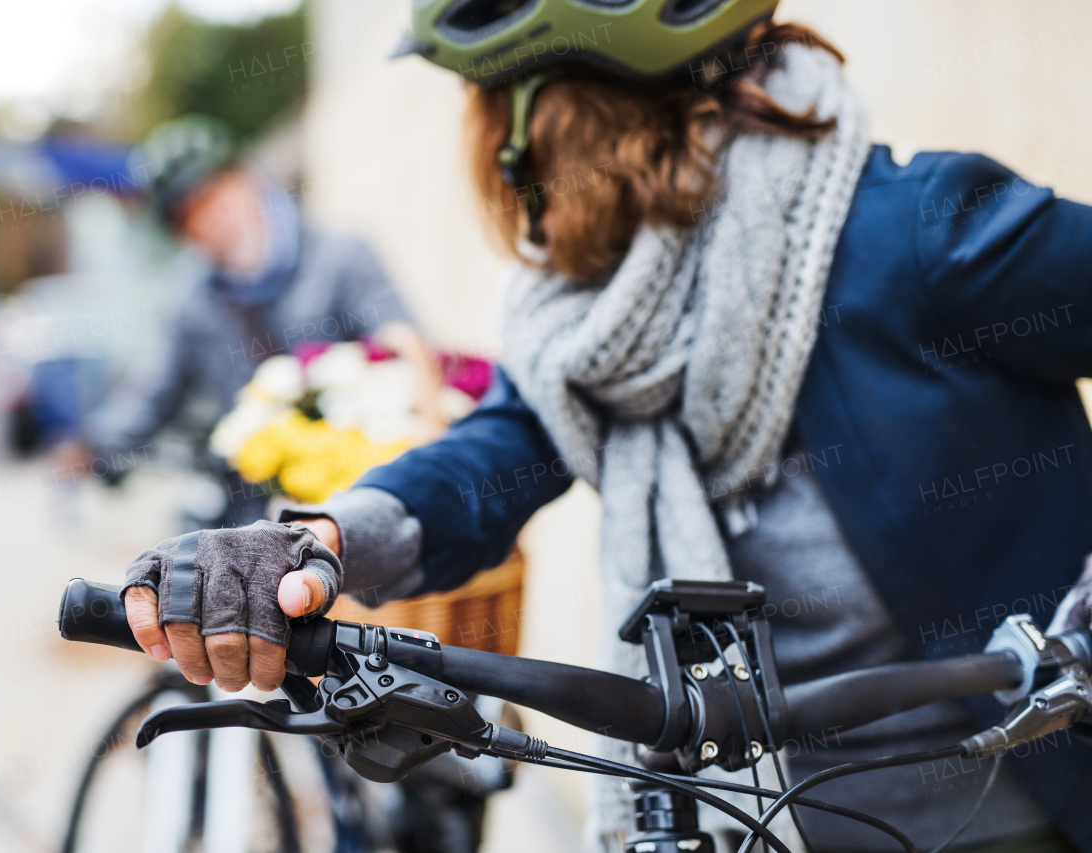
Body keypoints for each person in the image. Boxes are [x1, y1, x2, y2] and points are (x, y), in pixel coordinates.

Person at [116, 3, 1092, 851]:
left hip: (1004, 814)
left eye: (481, 105)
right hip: (741, 816)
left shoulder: (912, 230)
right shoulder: (586, 323)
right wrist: (314, 542)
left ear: (549, 120)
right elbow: (494, 451)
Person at [75, 115, 433, 527]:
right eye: (189, 216)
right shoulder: (190, 299)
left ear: (248, 177)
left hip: (356, 486)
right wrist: (93, 443)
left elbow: (404, 342)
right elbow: (155, 390)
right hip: (250, 497)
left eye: (215, 195)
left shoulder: (341, 256)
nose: (211, 219)